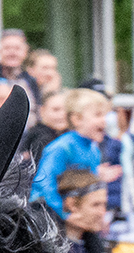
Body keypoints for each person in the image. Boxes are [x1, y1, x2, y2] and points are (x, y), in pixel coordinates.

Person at [33, 88, 117, 217]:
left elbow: (91, 191)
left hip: (77, 214)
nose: (104, 120)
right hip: (46, 213)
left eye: (105, 115)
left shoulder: (93, 150)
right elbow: (44, 183)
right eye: (98, 115)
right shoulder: (63, 147)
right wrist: (64, 214)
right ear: (77, 119)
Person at [0, 30, 42, 108]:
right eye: (7, 48)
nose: (12, 53)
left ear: (25, 52)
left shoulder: (31, 80)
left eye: (17, 48)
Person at [19, 89, 69, 162]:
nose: (62, 115)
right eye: (56, 110)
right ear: (42, 111)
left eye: (67, 110)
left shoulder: (70, 135)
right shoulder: (40, 140)